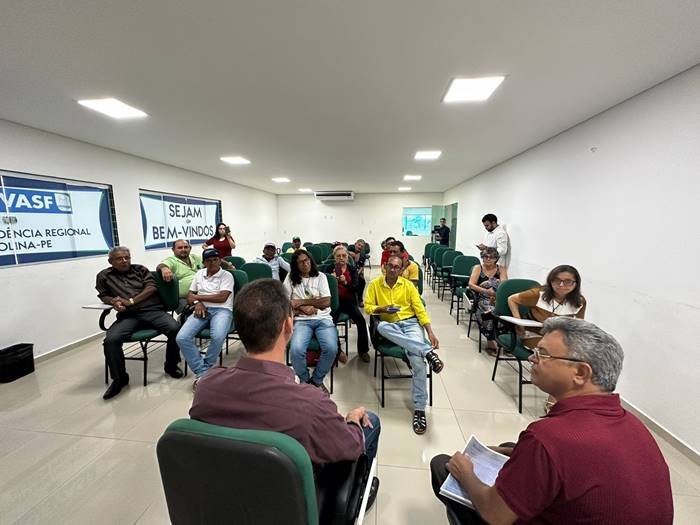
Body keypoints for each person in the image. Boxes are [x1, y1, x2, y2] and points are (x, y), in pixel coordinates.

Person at [430, 317, 673, 525]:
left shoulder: (547, 437)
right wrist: (517, 452)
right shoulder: (633, 423)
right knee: (510, 447)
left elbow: (496, 514)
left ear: (580, 373)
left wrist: (466, 472)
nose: (532, 359)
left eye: (542, 354)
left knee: (443, 465)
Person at [190, 279, 380, 511]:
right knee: (370, 421)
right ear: (289, 326)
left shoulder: (206, 387)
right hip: (289, 507)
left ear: (237, 328)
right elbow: (350, 447)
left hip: (228, 500)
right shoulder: (311, 403)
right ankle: (357, 498)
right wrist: (352, 420)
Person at [365, 255, 443, 434]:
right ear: (385, 267)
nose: (393, 269)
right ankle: (427, 352)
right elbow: (368, 307)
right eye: (390, 266)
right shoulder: (375, 285)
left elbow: (419, 310)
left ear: (401, 270)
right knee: (381, 327)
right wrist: (381, 309)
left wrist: (430, 332)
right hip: (389, 325)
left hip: (410, 324)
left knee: (417, 362)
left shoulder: (408, 285)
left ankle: (419, 409)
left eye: (397, 267)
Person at [95, 246, 183, 400]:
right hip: (128, 316)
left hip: (152, 311)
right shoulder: (104, 276)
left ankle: (171, 365)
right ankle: (119, 379)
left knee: (175, 328)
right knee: (111, 340)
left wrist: (131, 301)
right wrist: (114, 301)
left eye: (127, 257)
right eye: (119, 259)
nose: (124, 261)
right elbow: (103, 295)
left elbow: (151, 288)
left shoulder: (140, 269)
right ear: (110, 261)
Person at [508, 264, 586, 411]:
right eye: (557, 280)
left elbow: (578, 325)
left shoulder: (579, 302)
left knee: (578, 359)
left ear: (575, 284)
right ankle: (554, 397)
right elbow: (512, 299)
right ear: (551, 281)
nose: (561, 285)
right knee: (558, 359)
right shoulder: (538, 294)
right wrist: (519, 323)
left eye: (568, 281)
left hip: (560, 339)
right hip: (534, 335)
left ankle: (568, 396)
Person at [176, 249, 234, 391]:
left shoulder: (227, 275)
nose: (212, 262)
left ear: (220, 260)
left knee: (217, 336)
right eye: (209, 260)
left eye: (215, 259)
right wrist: (197, 303)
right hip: (201, 309)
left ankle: (204, 370)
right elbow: (190, 296)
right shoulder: (199, 274)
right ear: (204, 262)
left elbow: (222, 297)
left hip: (222, 310)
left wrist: (198, 297)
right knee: (182, 337)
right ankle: (203, 372)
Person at [284, 250, 339, 393]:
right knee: (296, 351)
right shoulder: (290, 278)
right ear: (295, 265)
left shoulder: (321, 277)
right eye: (301, 262)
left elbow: (326, 302)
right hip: (301, 321)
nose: (305, 264)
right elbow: (285, 303)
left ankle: (316, 381)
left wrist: (300, 302)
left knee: (331, 349)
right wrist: (303, 310)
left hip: (323, 319)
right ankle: (305, 381)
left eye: (307, 260)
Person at [330, 245, 370, 363]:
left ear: (347, 257)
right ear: (334, 257)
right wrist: (331, 280)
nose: (341, 258)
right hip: (333, 302)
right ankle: (338, 351)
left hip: (348, 301)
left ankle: (363, 350)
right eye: (338, 256)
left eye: (344, 255)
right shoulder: (329, 268)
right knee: (329, 323)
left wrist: (345, 283)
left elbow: (355, 288)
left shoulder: (352, 269)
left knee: (361, 321)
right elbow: (322, 288)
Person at [468, 247, 508, 355]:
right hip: (482, 298)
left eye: (492, 257)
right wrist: (485, 290)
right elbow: (471, 284)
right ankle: (490, 340)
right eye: (485, 256)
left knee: (506, 314)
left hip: (497, 298)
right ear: (482, 257)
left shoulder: (501, 269)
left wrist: (495, 291)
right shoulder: (478, 268)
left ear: (496, 258)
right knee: (489, 314)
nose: (488, 259)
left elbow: (504, 285)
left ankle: (504, 340)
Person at [347, 238, 368, 306]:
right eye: (359, 245)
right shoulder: (350, 248)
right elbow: (344, 251)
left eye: (362, 246)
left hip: (356, 272)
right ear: (355, 244)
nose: (360, 247)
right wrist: (349, 253)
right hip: (347, 270)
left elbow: (362, 267)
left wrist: (357, 274)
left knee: (362, 281)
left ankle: (360, 299)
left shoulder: (362, 254)